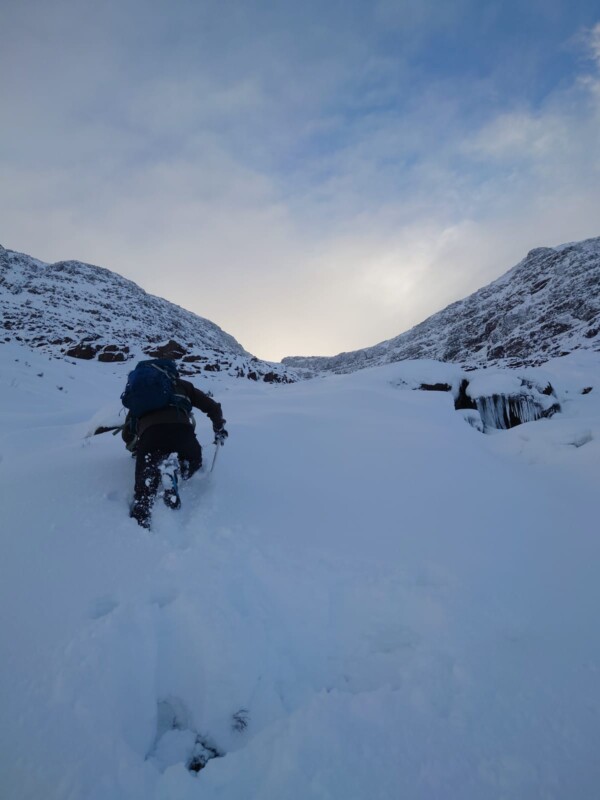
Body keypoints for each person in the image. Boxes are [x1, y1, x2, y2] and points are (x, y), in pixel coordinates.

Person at [122, 362, 227, 528]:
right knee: (193, 461)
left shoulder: (140, 395)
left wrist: (136, 448)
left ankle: (143, 507)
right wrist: (219, 426)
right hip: (182, 432)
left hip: (150, 436)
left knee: (146, 478)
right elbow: (211, 406)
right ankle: (177, 469)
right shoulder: (181, 385)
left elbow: (128, 432)